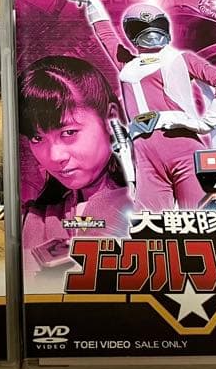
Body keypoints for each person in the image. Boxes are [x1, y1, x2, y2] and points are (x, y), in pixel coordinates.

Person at [67, 0, 216, 212]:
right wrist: (93, 5)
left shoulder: (180, 59)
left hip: (182, 145)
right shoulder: (129, 66)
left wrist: (207, 122)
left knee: (200, 215)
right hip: (144, 153)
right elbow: (107, 37)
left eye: (157, 26)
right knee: (149, 222)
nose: (152, 34)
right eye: (142, 28)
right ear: (132, 33)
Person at [18, 56, 132, 277]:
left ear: (110, 117)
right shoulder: (33, 217)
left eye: (69, 133)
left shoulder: (151, 204)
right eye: (37, 138)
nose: (54, 156)